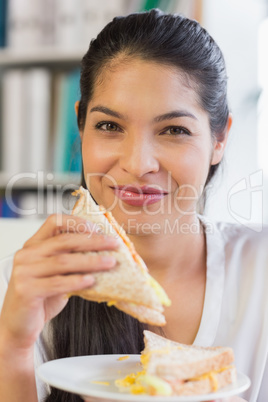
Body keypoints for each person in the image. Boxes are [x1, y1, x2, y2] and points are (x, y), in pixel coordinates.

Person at [0, 8, 267, 402]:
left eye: (174, 130)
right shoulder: (25, 288)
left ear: (220, 139)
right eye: (109, 126)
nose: (138, 163)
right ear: (81, 124)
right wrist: (13, 349)